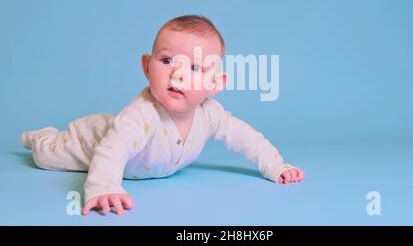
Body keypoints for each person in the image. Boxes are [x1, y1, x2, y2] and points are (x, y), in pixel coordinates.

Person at [21, 15, 304, 215]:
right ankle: (40, 137)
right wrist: (103, 187)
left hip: (111, 132)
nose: (177, 74)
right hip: (89, 141)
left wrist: (275, 165)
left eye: (195, 68)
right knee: (47, 155)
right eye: (167, 61)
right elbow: (113, 149)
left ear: (215, 84)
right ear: (147, 66)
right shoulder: (142, 115)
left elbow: (245, 138)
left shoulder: (211, 114)